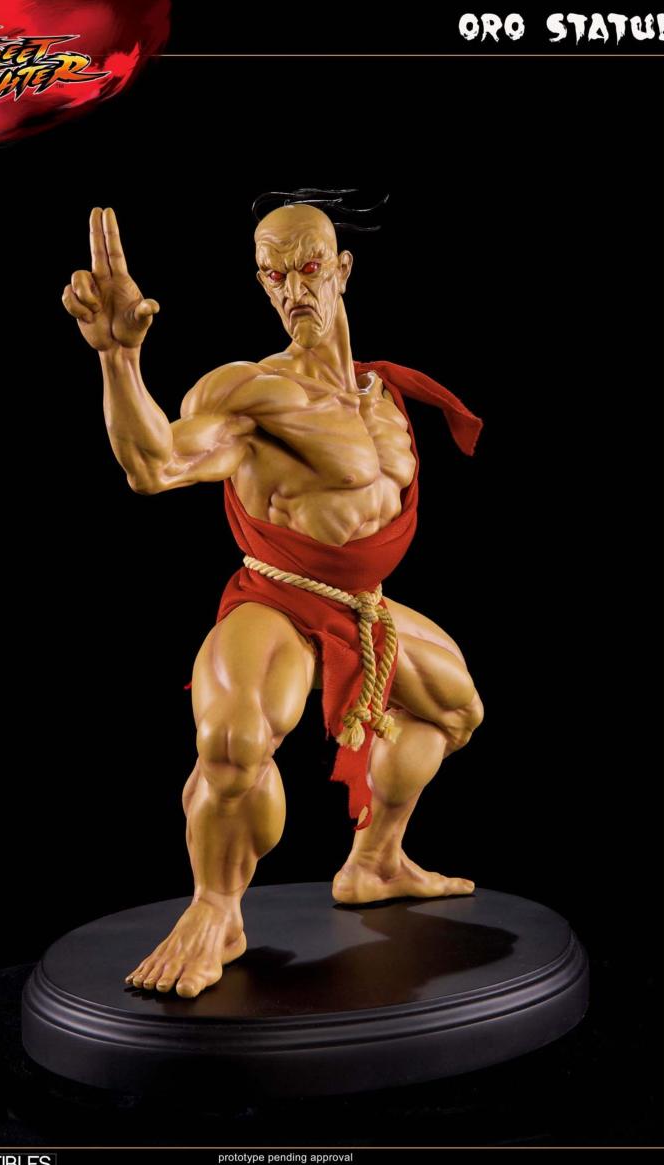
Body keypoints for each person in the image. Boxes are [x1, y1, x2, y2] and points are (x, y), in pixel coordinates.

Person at [62, 199, 484, 999]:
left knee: (452, 713)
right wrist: (118, 359)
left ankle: (374, 863)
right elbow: (154, 465)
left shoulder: (381, 396)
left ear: (342, 270)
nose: (293, 290)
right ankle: (215, 909)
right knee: (232, 742)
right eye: (273, 275)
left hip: (361, 604)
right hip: (277, 600)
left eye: (308, 267)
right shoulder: (250, 392)